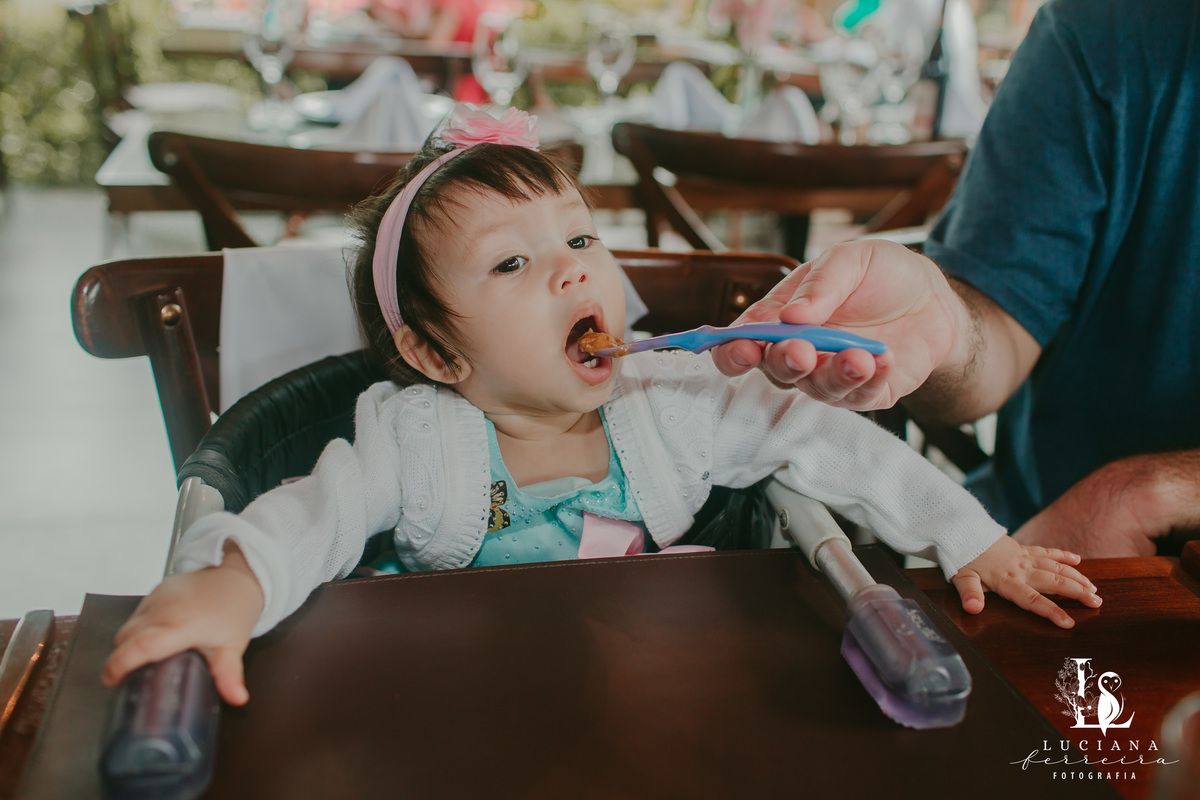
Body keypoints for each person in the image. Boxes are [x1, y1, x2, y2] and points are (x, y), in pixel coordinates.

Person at [101, 105, 1099, 706]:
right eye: (513, 262)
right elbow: (312, 519)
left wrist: (967, 538)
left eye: (580, 242)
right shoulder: (418, 440)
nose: (573, 275)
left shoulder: (674, 400)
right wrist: (227, 589)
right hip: (455, 697)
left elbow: (832, 446)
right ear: (432, 350)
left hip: (637, 686)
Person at [711, 0, 1200, 559]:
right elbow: (1000, 335)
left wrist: (1158, 491)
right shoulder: (1099, 32)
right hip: (1043, 542)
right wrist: (946, 323)